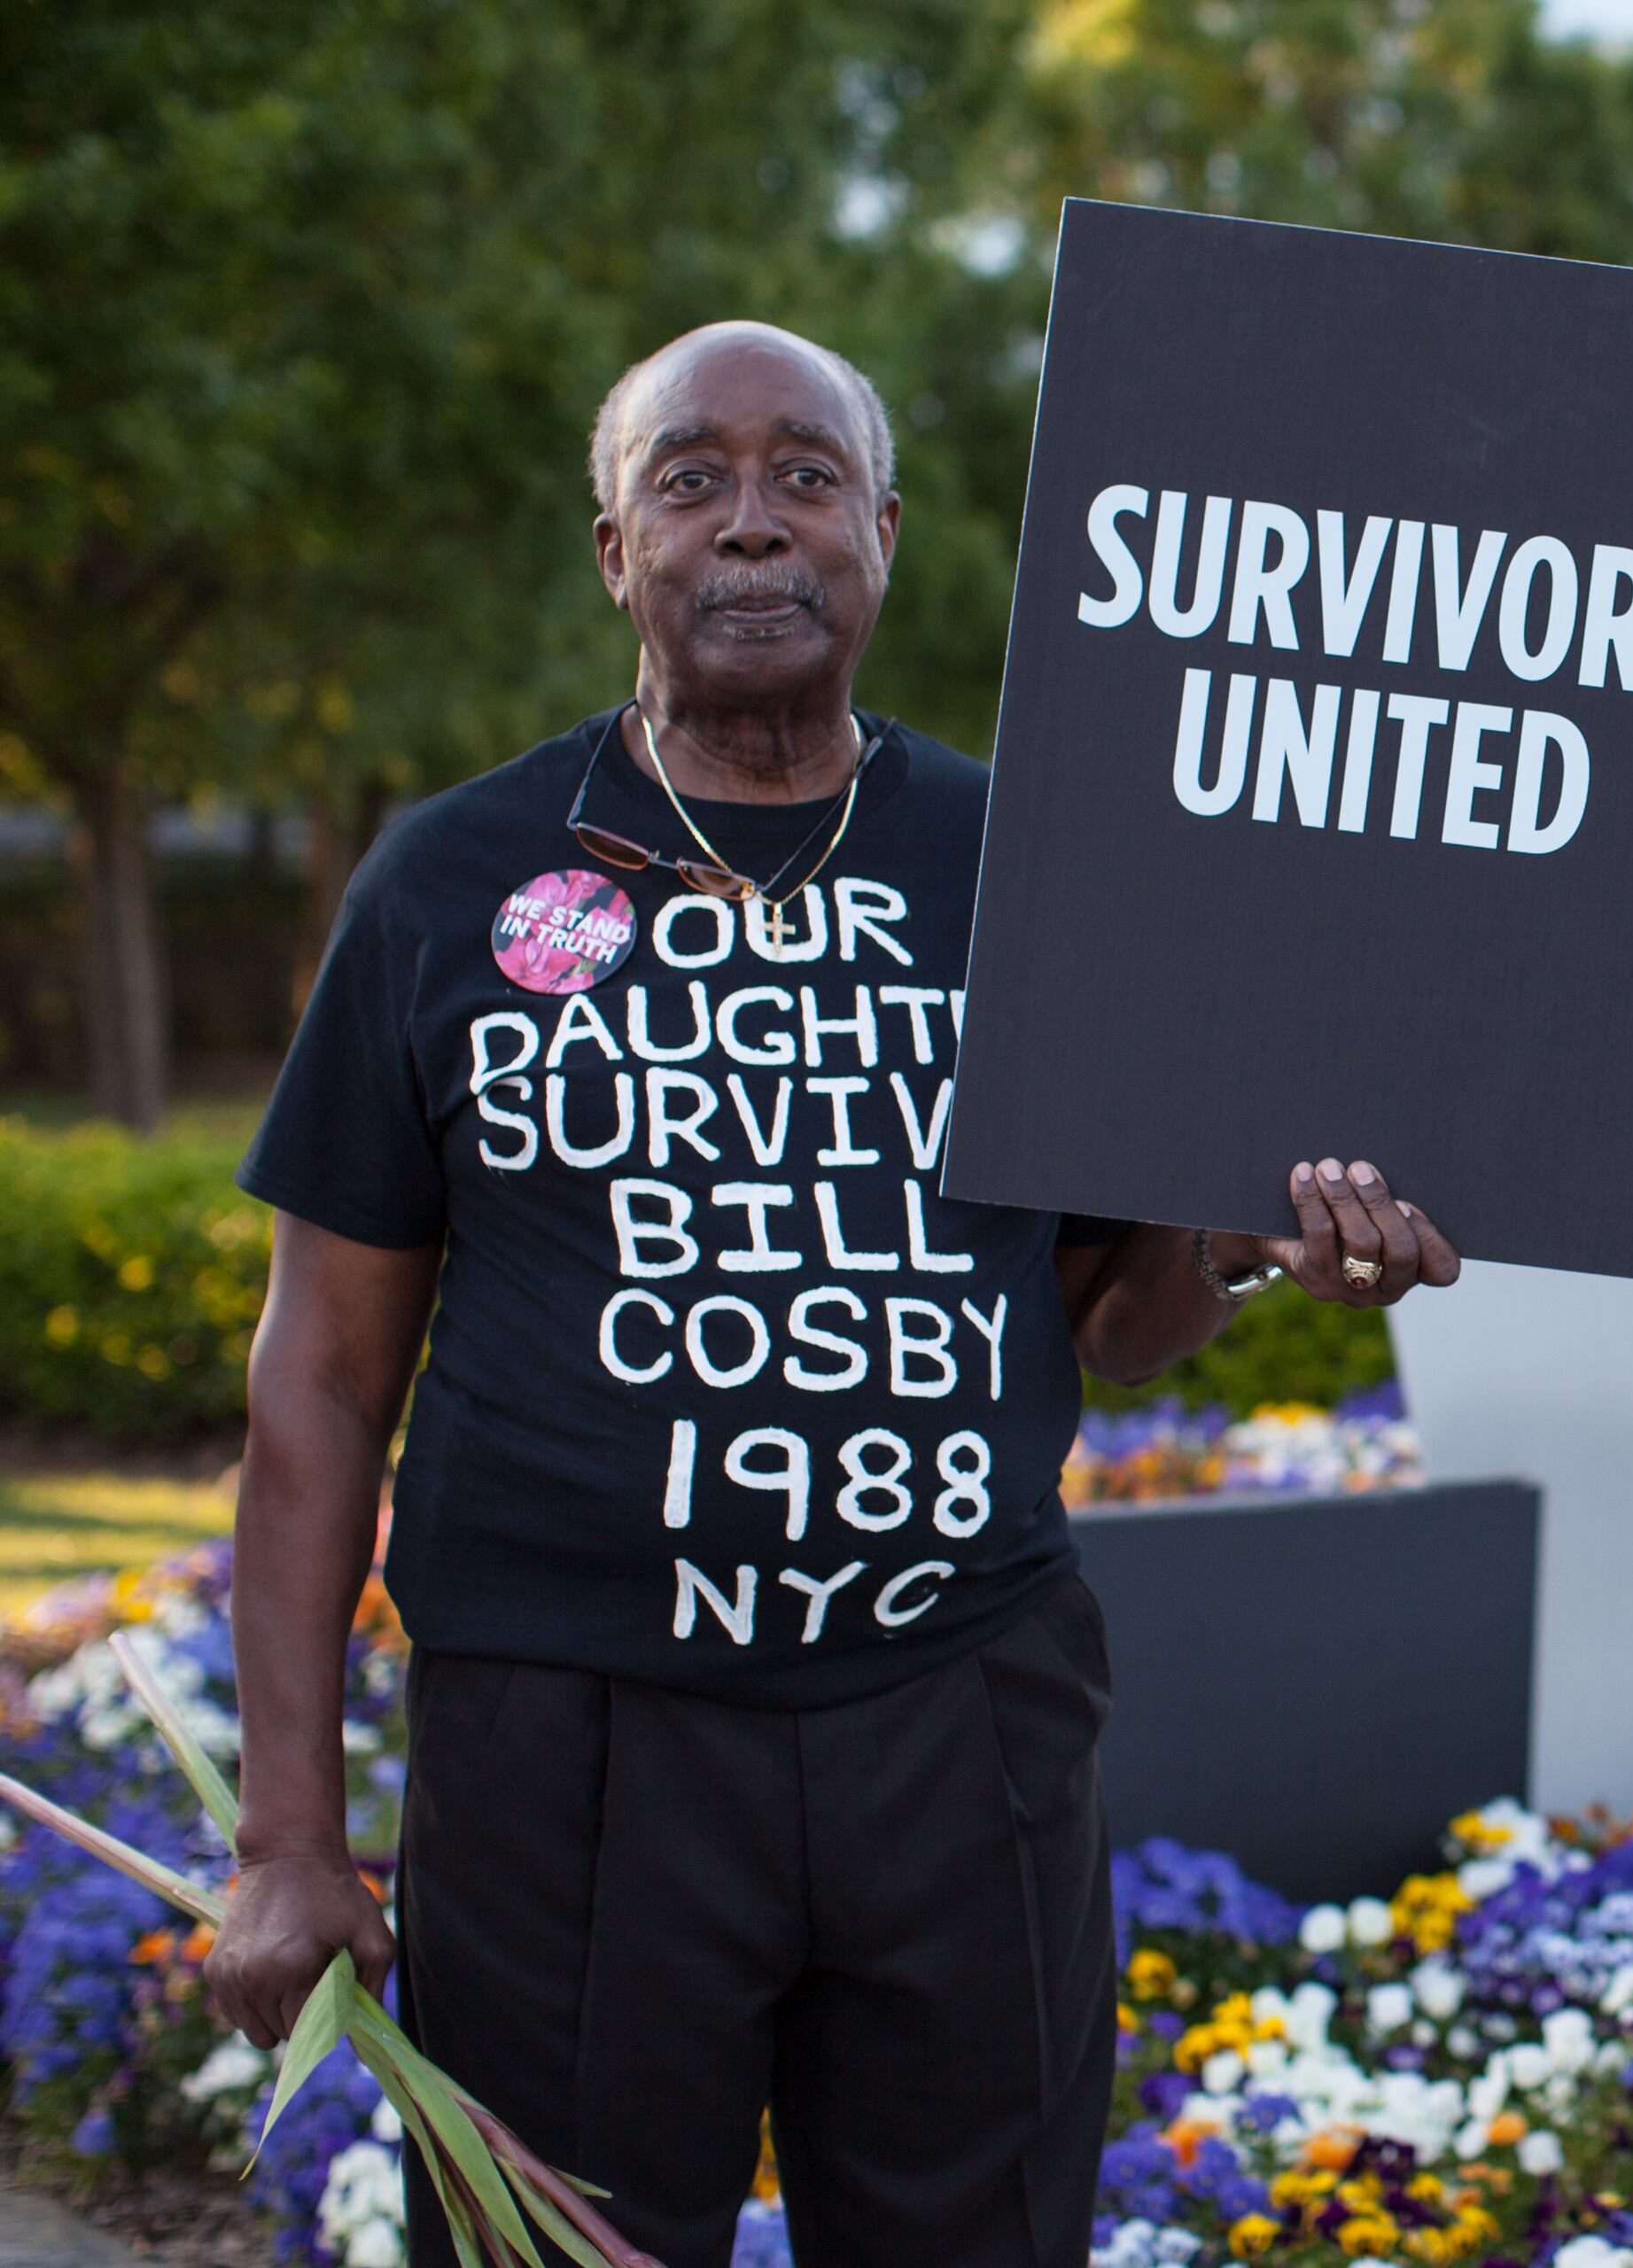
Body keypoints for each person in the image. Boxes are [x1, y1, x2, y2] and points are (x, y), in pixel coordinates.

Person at [203, 320, 1460, 2268]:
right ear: (616, 550)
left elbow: (1120, 1322)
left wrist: (1242, 1239)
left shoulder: (1046, 869)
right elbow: (318, 1388)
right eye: (689, 478)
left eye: (806, 476)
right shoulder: (450, 883)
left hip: (962, 1718)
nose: (753, 521)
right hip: (572, 1751)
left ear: (884, 529)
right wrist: (289, 1835)